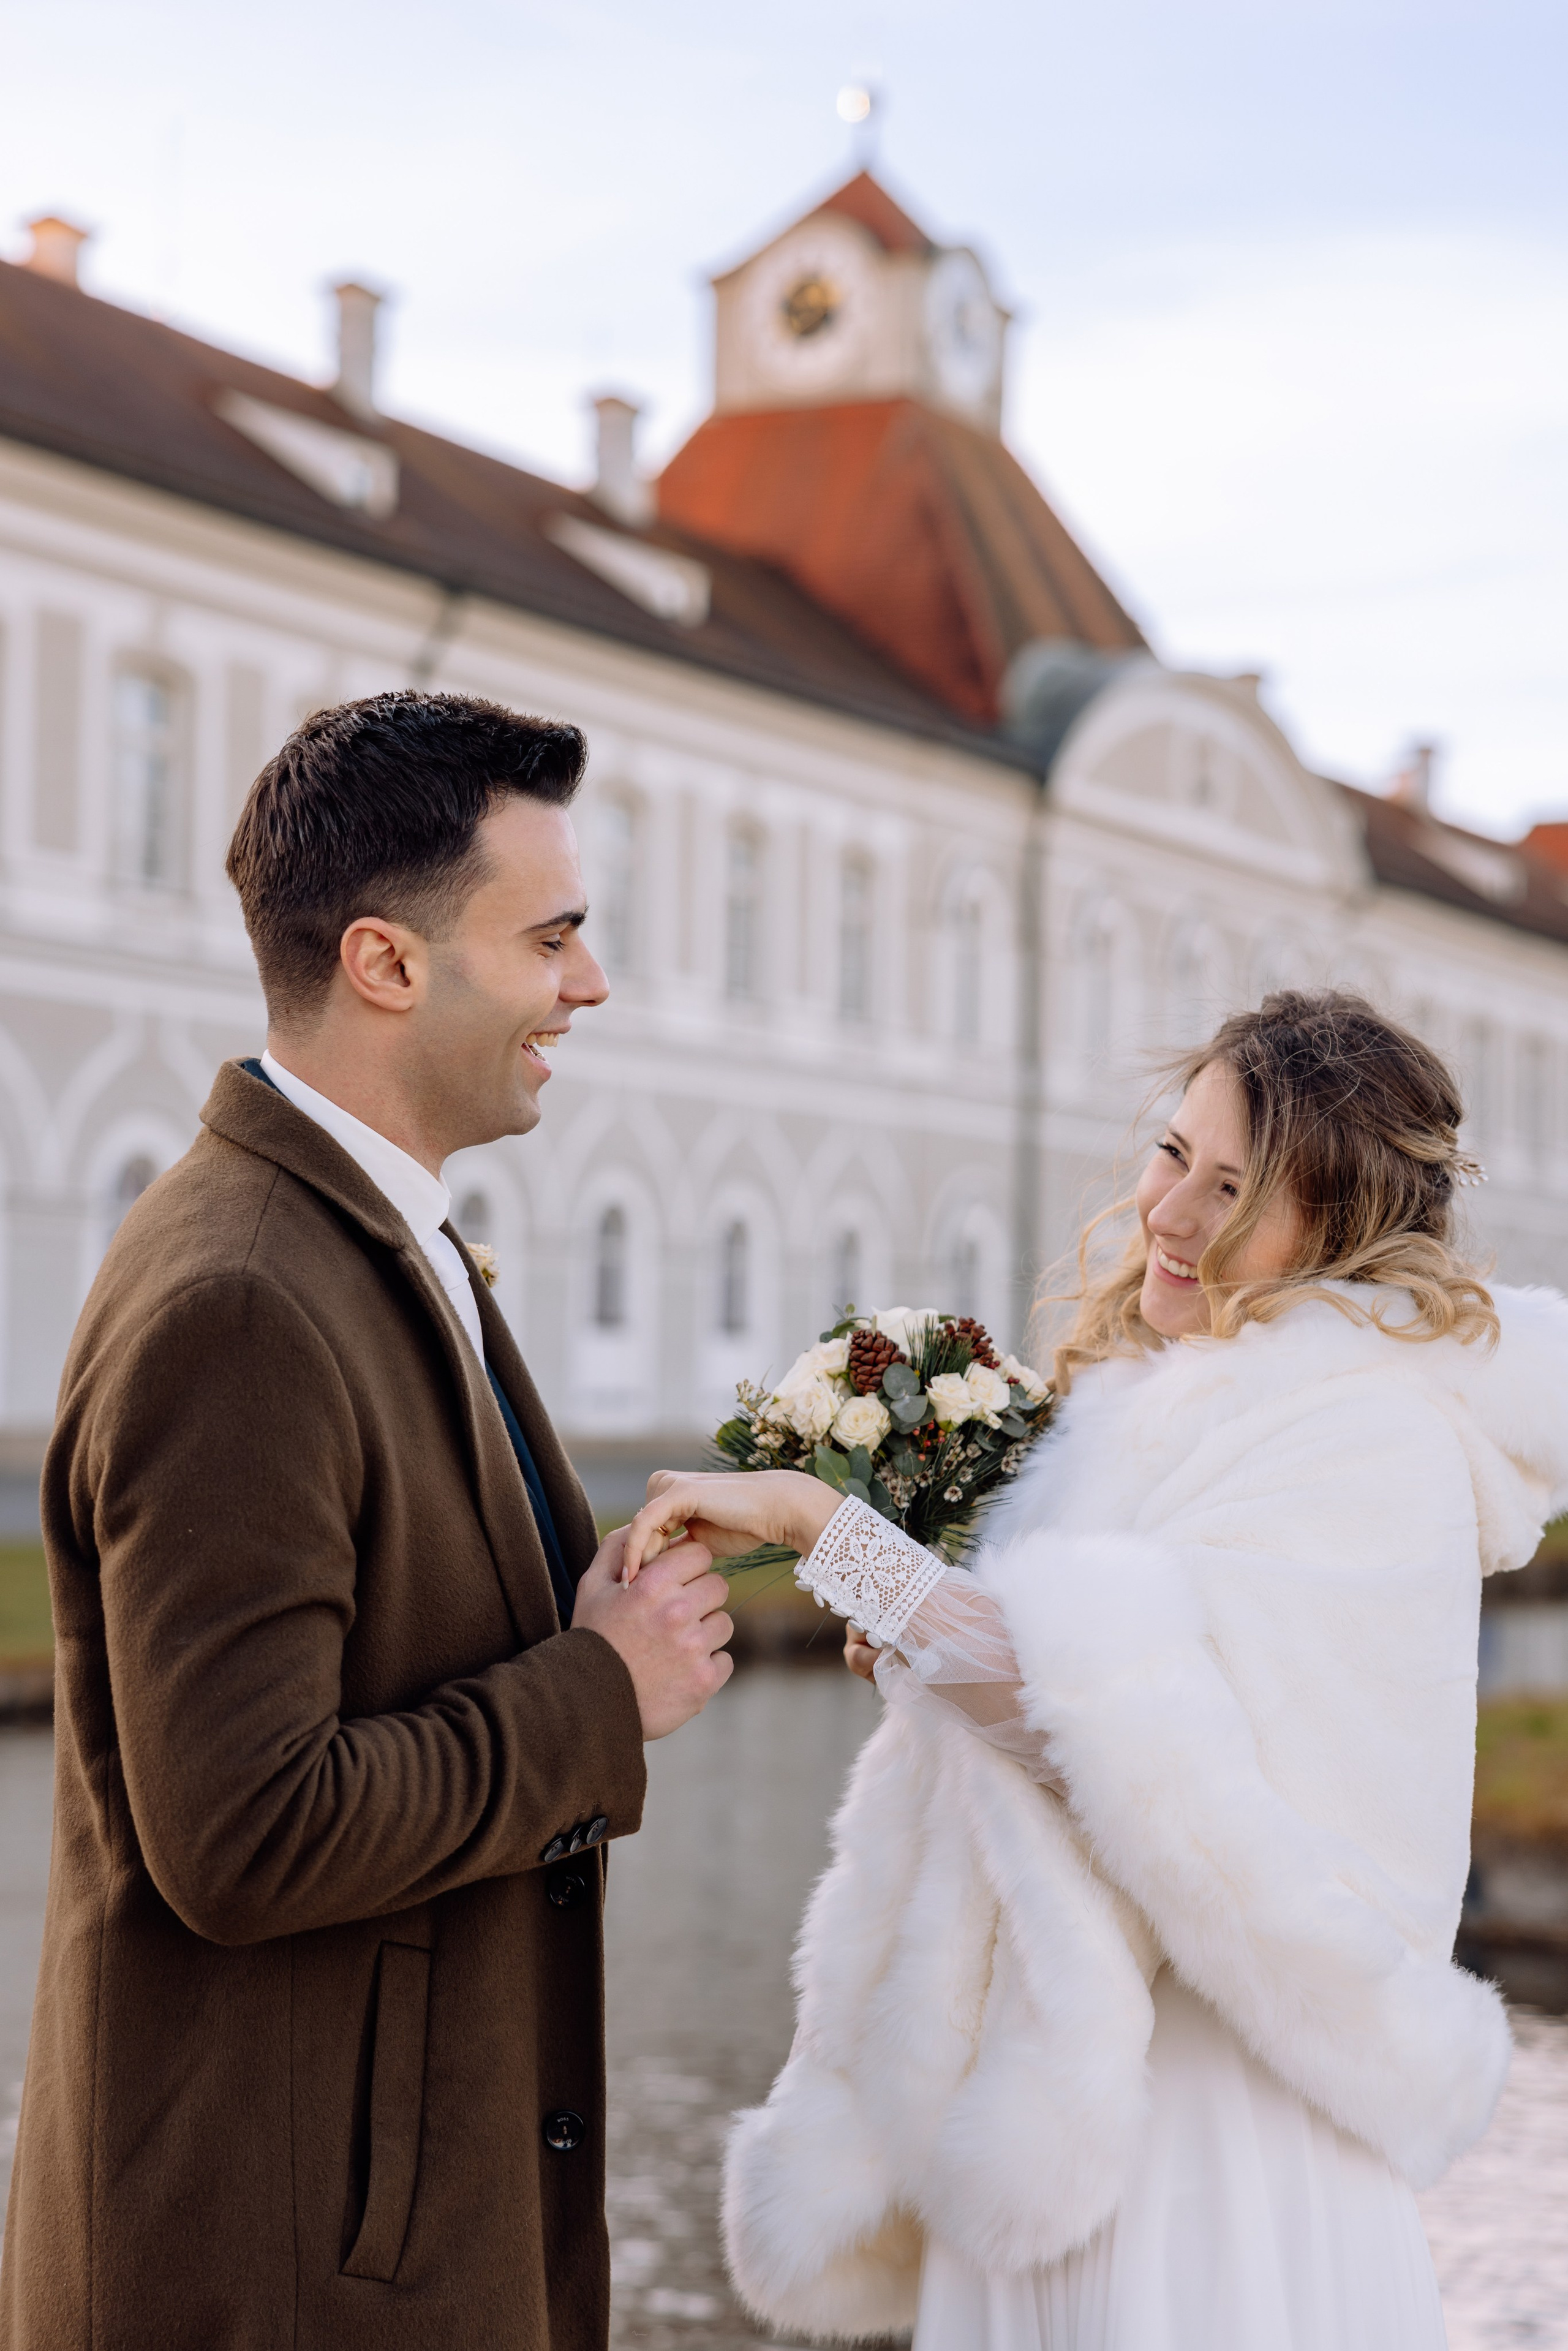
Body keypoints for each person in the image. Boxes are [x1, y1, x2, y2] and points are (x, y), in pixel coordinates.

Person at [621, 991, 1568, 2351]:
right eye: (1172, 1152)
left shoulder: (1360, 1433)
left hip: (1210, 2136)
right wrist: (927, 1636)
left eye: (1232, 1185)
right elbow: (1072, 1695)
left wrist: (823, 1530)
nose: (1167, 1212)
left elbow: (1126, 1740)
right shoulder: (1169, 1403)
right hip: (1072, 2098)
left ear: (1339, 1225)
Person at [1, 692, 733, 2351]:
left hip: (372, 2245)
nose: (589, 985)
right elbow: (247, 1829)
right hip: (273, 2275)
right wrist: (598, 1695)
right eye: (553, 937)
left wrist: (593, 1607)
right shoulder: (245, 1298)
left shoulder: (384, 1241)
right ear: (389, 961)